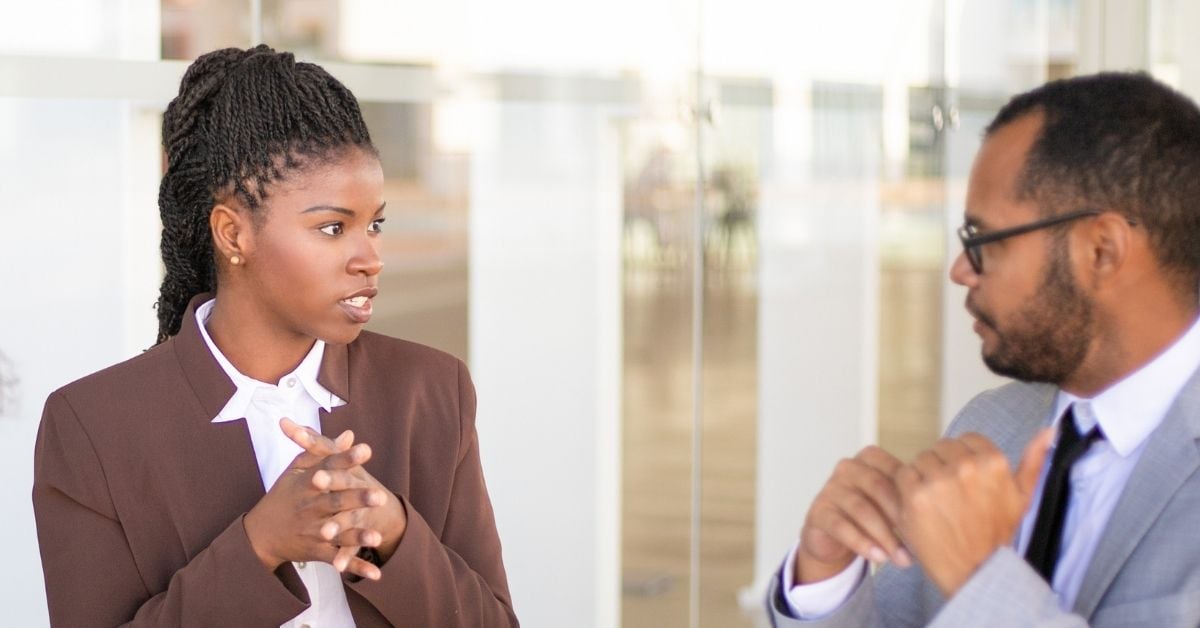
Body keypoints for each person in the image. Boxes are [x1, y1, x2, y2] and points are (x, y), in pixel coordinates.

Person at [32, 45, 518, 627]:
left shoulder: (433, 391)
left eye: (375, 224)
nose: (370, 257)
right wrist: (259, 545)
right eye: (333, 227)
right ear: (233, 233)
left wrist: (393, 529)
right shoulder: (93, 427)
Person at [768, 72, 1200, 626]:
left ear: (1101, 249)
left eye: (981, 240)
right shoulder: (993, 424)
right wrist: (824, 578)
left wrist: (983, 581)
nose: (959, 270)